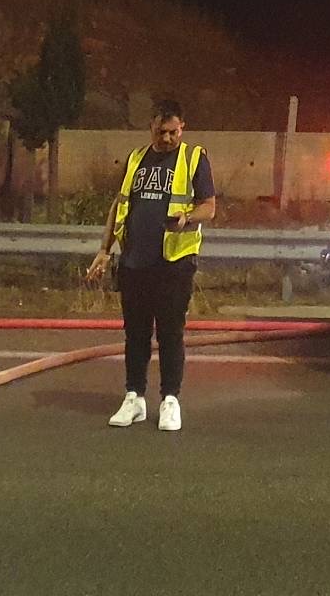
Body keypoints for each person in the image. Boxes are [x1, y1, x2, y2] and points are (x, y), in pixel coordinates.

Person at [86, 98, 215, 431]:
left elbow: (209, 207)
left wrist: (187, 218)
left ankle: (170, 399)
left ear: (182, 127)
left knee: (171, 333)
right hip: (134, 262)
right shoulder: (136, 159)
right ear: (151, 128)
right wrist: (105, 249)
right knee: (136, 334)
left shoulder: (194, 158)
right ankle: (134, 397)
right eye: (161, 132)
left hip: (174, 263)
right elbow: (120, 203)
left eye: (173, 132)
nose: (167, 139)